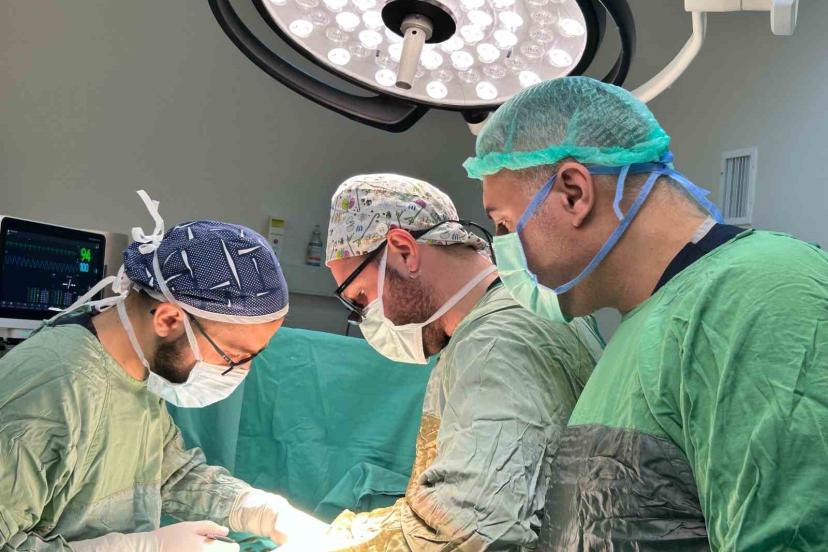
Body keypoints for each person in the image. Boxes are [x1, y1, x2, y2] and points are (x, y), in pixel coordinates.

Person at [465, 76, 828, 550]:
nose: (503, 250)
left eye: (504, 224)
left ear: (573, 192)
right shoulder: (642, 329)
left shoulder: (761, 292)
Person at [0, 191, 329, 551]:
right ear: (169, 320)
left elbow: (168, 474)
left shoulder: (138, 370)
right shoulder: (52, 388)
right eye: (234, 356)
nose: (241, 370)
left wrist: (261, 512)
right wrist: (140, 547)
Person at [311, 174, 603, 551]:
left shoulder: (498, 343)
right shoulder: (511, 316)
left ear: (404, 251)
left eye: (361, 297)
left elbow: (476, 531)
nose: (365, 317)